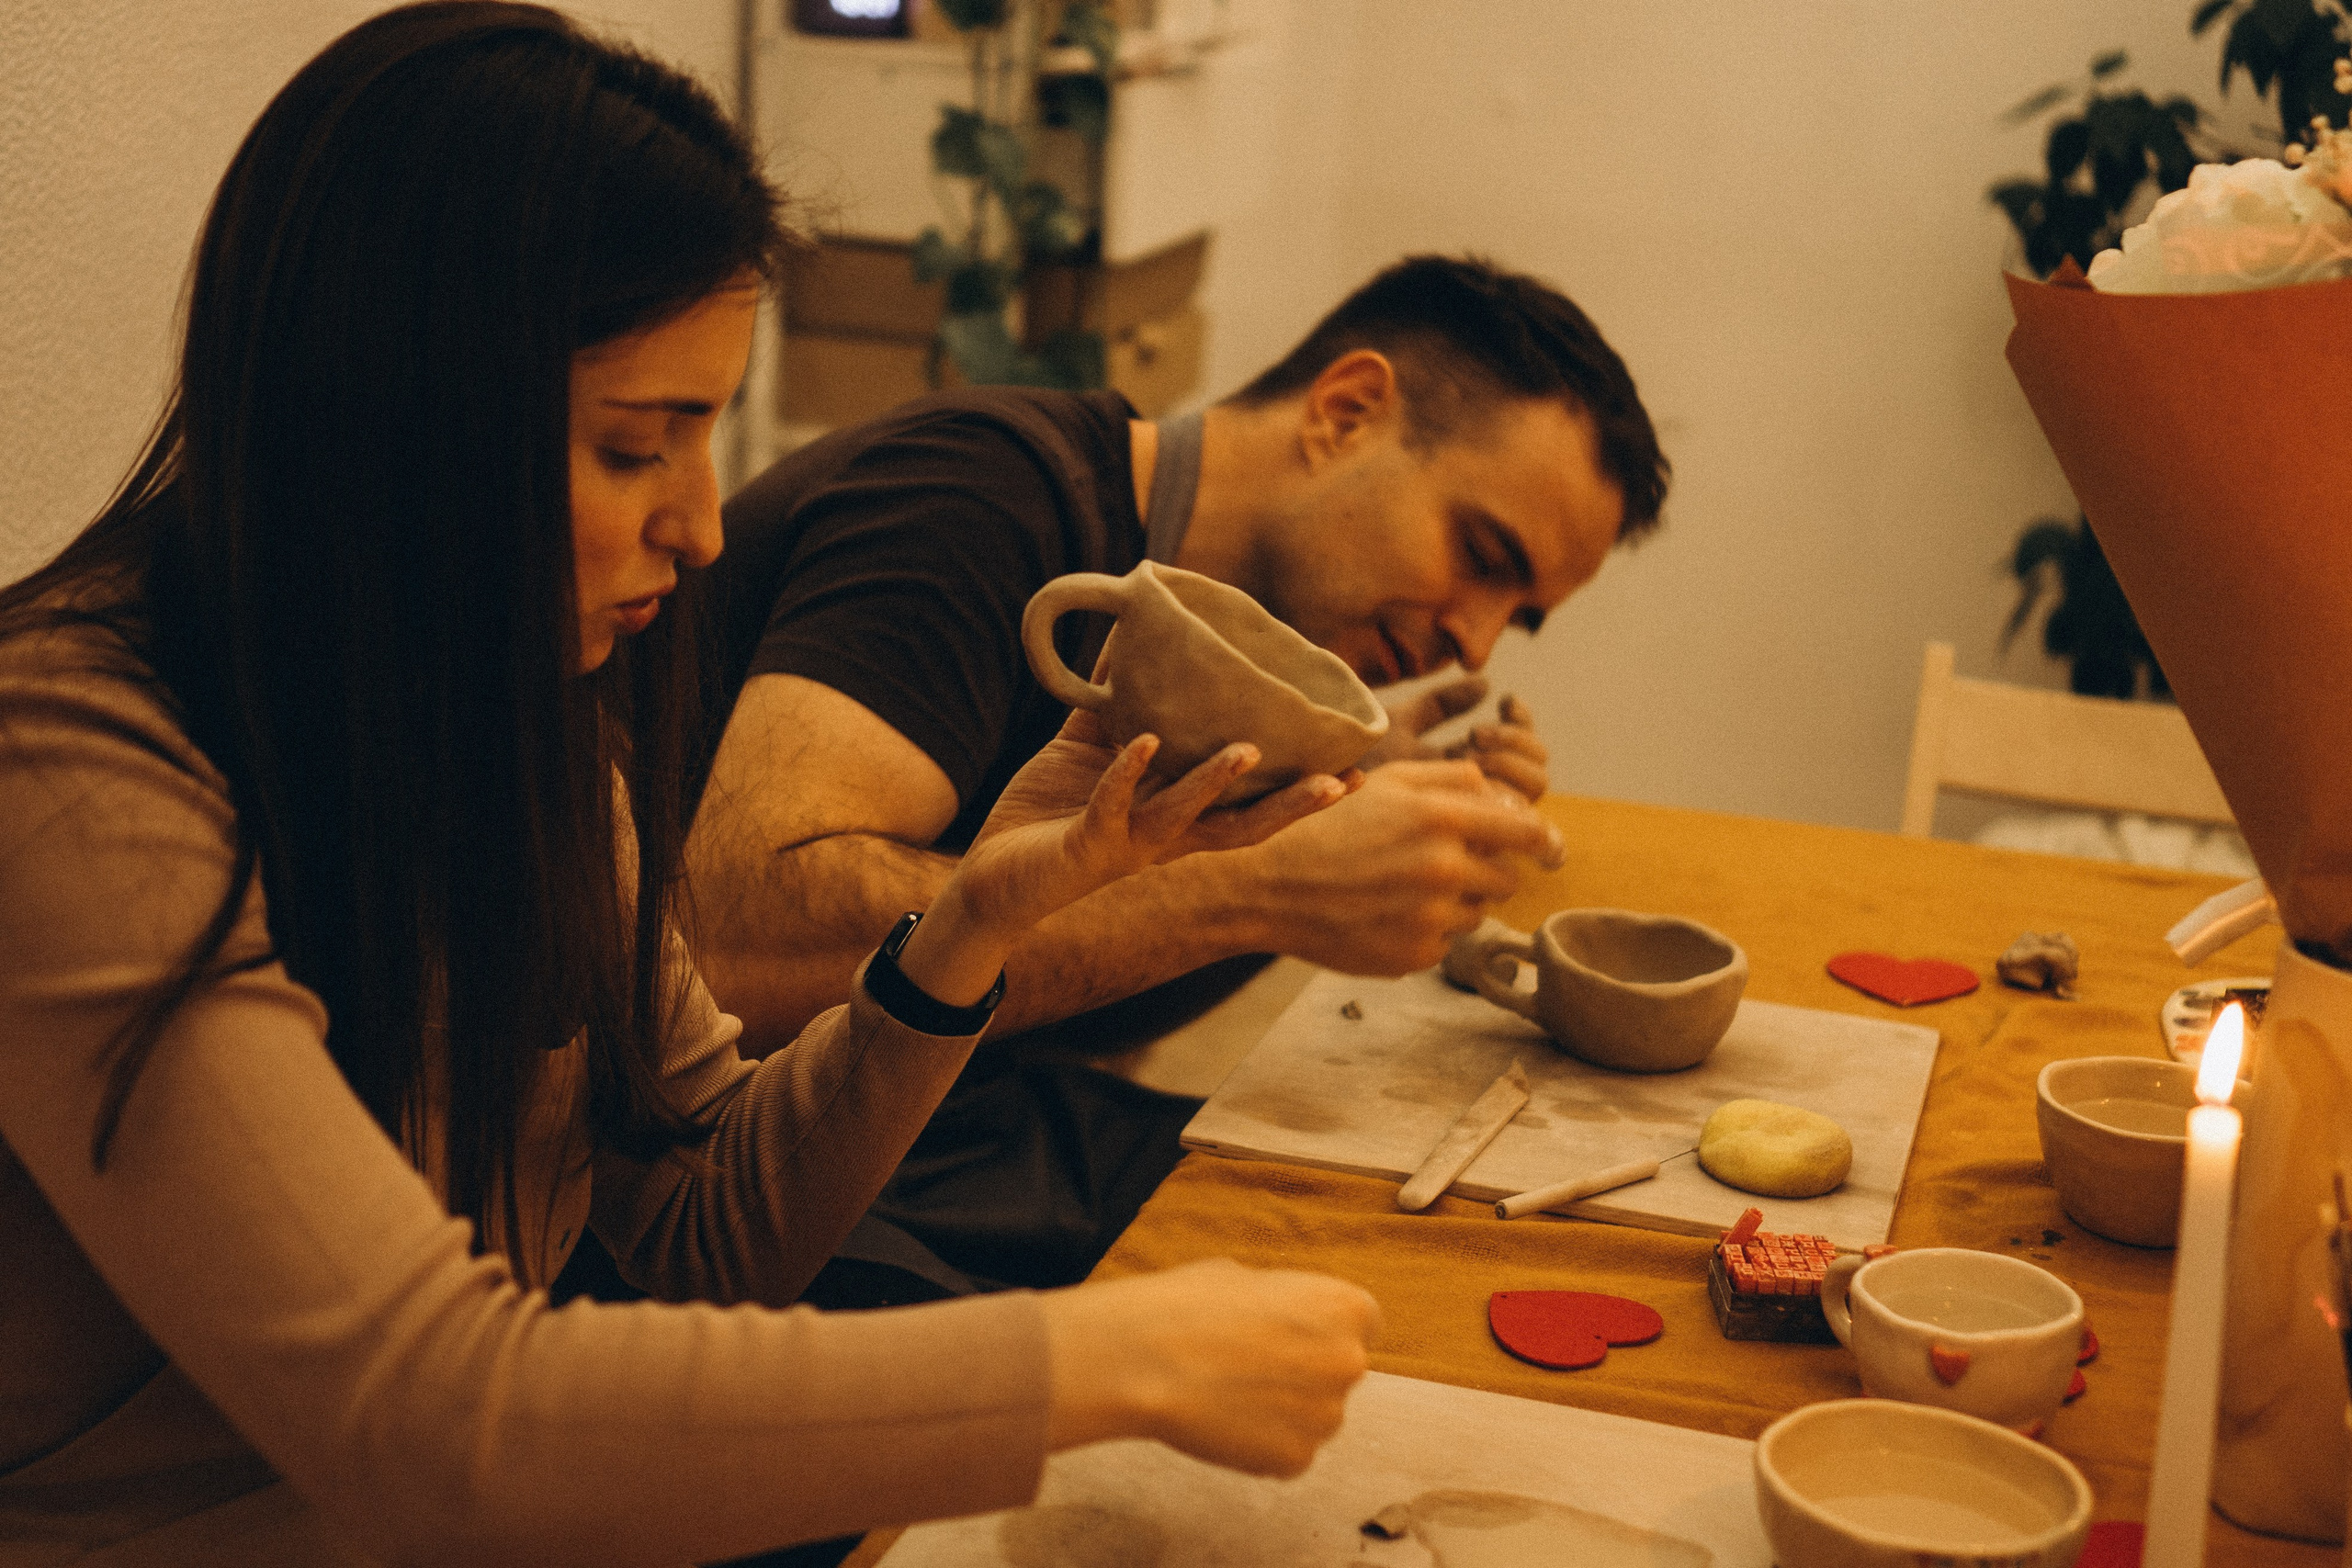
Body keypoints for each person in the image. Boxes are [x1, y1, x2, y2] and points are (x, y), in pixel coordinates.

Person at [0, 6, 1376, 1562]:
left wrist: (967, 931)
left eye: (705, 435)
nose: (704, 525)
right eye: (636, 446)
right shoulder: (67, 767)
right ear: (401, 422)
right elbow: (428, 1414)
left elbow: (709, 1226)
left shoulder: (499, 709)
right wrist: (1101, 1358)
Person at [679, 255, 1670, 1292]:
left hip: (930, 1125)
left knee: (1412, 1233)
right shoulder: (973, 505)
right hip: (688, 1168)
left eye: (1517, 614)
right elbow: (735, 942)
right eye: (1479, 551)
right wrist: (1271, 883)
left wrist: (1353, 781)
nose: (1473, 643)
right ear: (1345, 412)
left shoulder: (1232, 653)